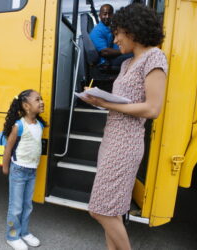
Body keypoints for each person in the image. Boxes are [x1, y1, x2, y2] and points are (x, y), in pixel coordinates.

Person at [80, 4, 167, 250]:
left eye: (118, 33)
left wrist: (107, 103)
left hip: (126, 144)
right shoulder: (128, 63)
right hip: (112, 140)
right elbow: (125, 102)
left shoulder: (154, 57)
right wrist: (98, 100)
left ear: (133, 30)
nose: (115, 39)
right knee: (113, 210)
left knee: (100, 211)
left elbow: (152, 109)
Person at [2, 89, 46, 250]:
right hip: (18, 170)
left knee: (27, 205)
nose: (41, 102)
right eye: (37, 100)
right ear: (27, 106)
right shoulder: (19, 125)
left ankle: (24, 232)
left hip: (31, 171)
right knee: (16, 206)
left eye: (41, 99)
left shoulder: (39, 125)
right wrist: (6, 167)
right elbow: (8, 148)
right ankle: (12, 236)